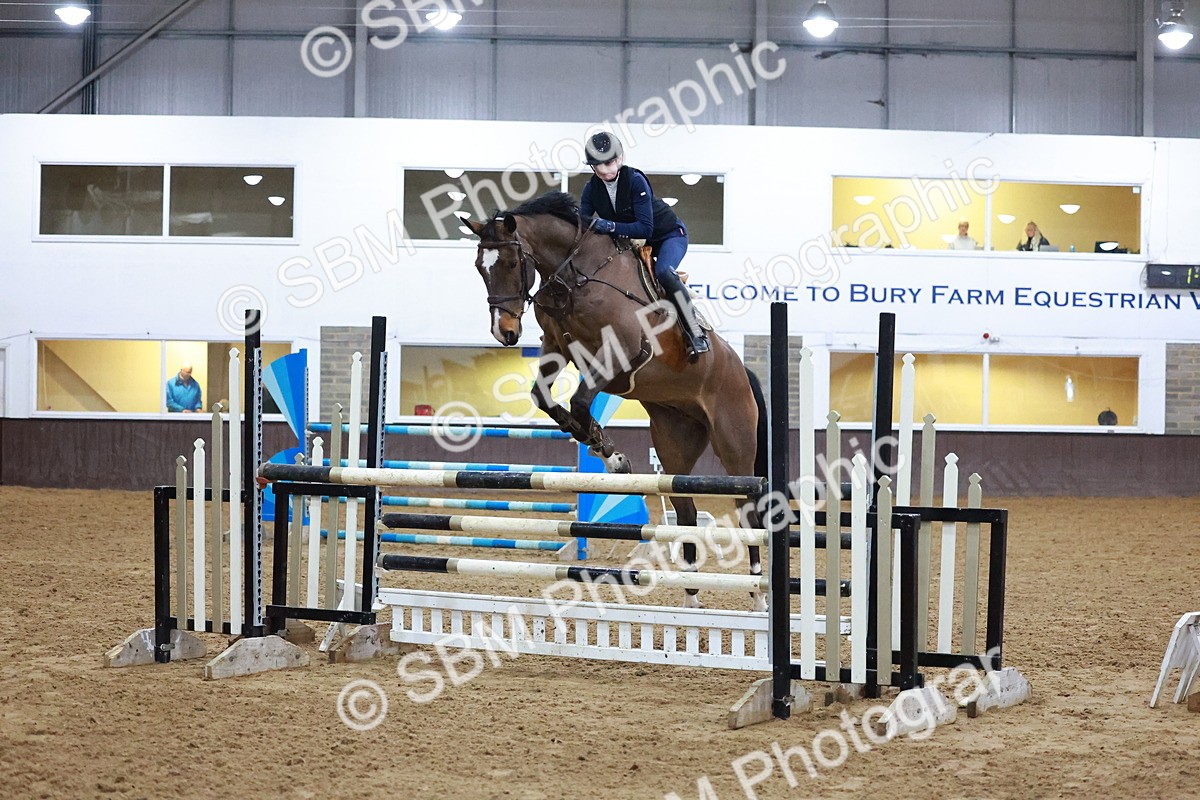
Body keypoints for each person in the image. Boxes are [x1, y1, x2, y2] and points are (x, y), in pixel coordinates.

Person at [579, 131, 710, 361]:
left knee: (664, 273)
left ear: (619, 159)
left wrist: (607, 225)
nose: (606, 170)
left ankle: (695, 332)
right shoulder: (591, 189)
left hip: (668, 236)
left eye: (609, 162)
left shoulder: (635, 180)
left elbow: (645, 229)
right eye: (598, 165)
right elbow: (582, 225)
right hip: (631, 243)